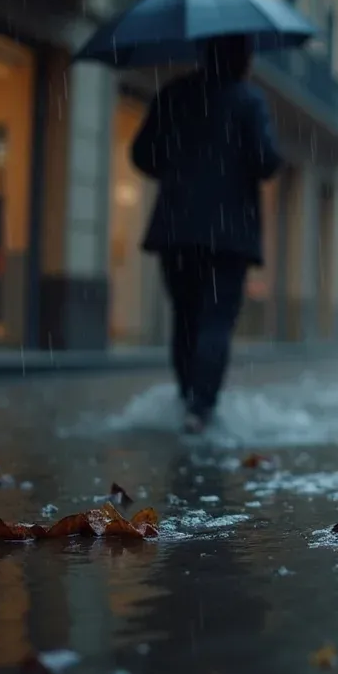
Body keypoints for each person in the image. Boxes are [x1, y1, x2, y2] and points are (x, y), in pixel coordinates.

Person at [130, 34, 281, 434]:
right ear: (243, 57)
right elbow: (266, 162)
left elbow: (142, 154)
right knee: (215, 320)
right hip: (229, 234)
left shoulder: (174, 94)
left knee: (185, 317)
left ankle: (187, 399)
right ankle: (201, 407)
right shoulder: (249, 100)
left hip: (177, 228)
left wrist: (178, 170)